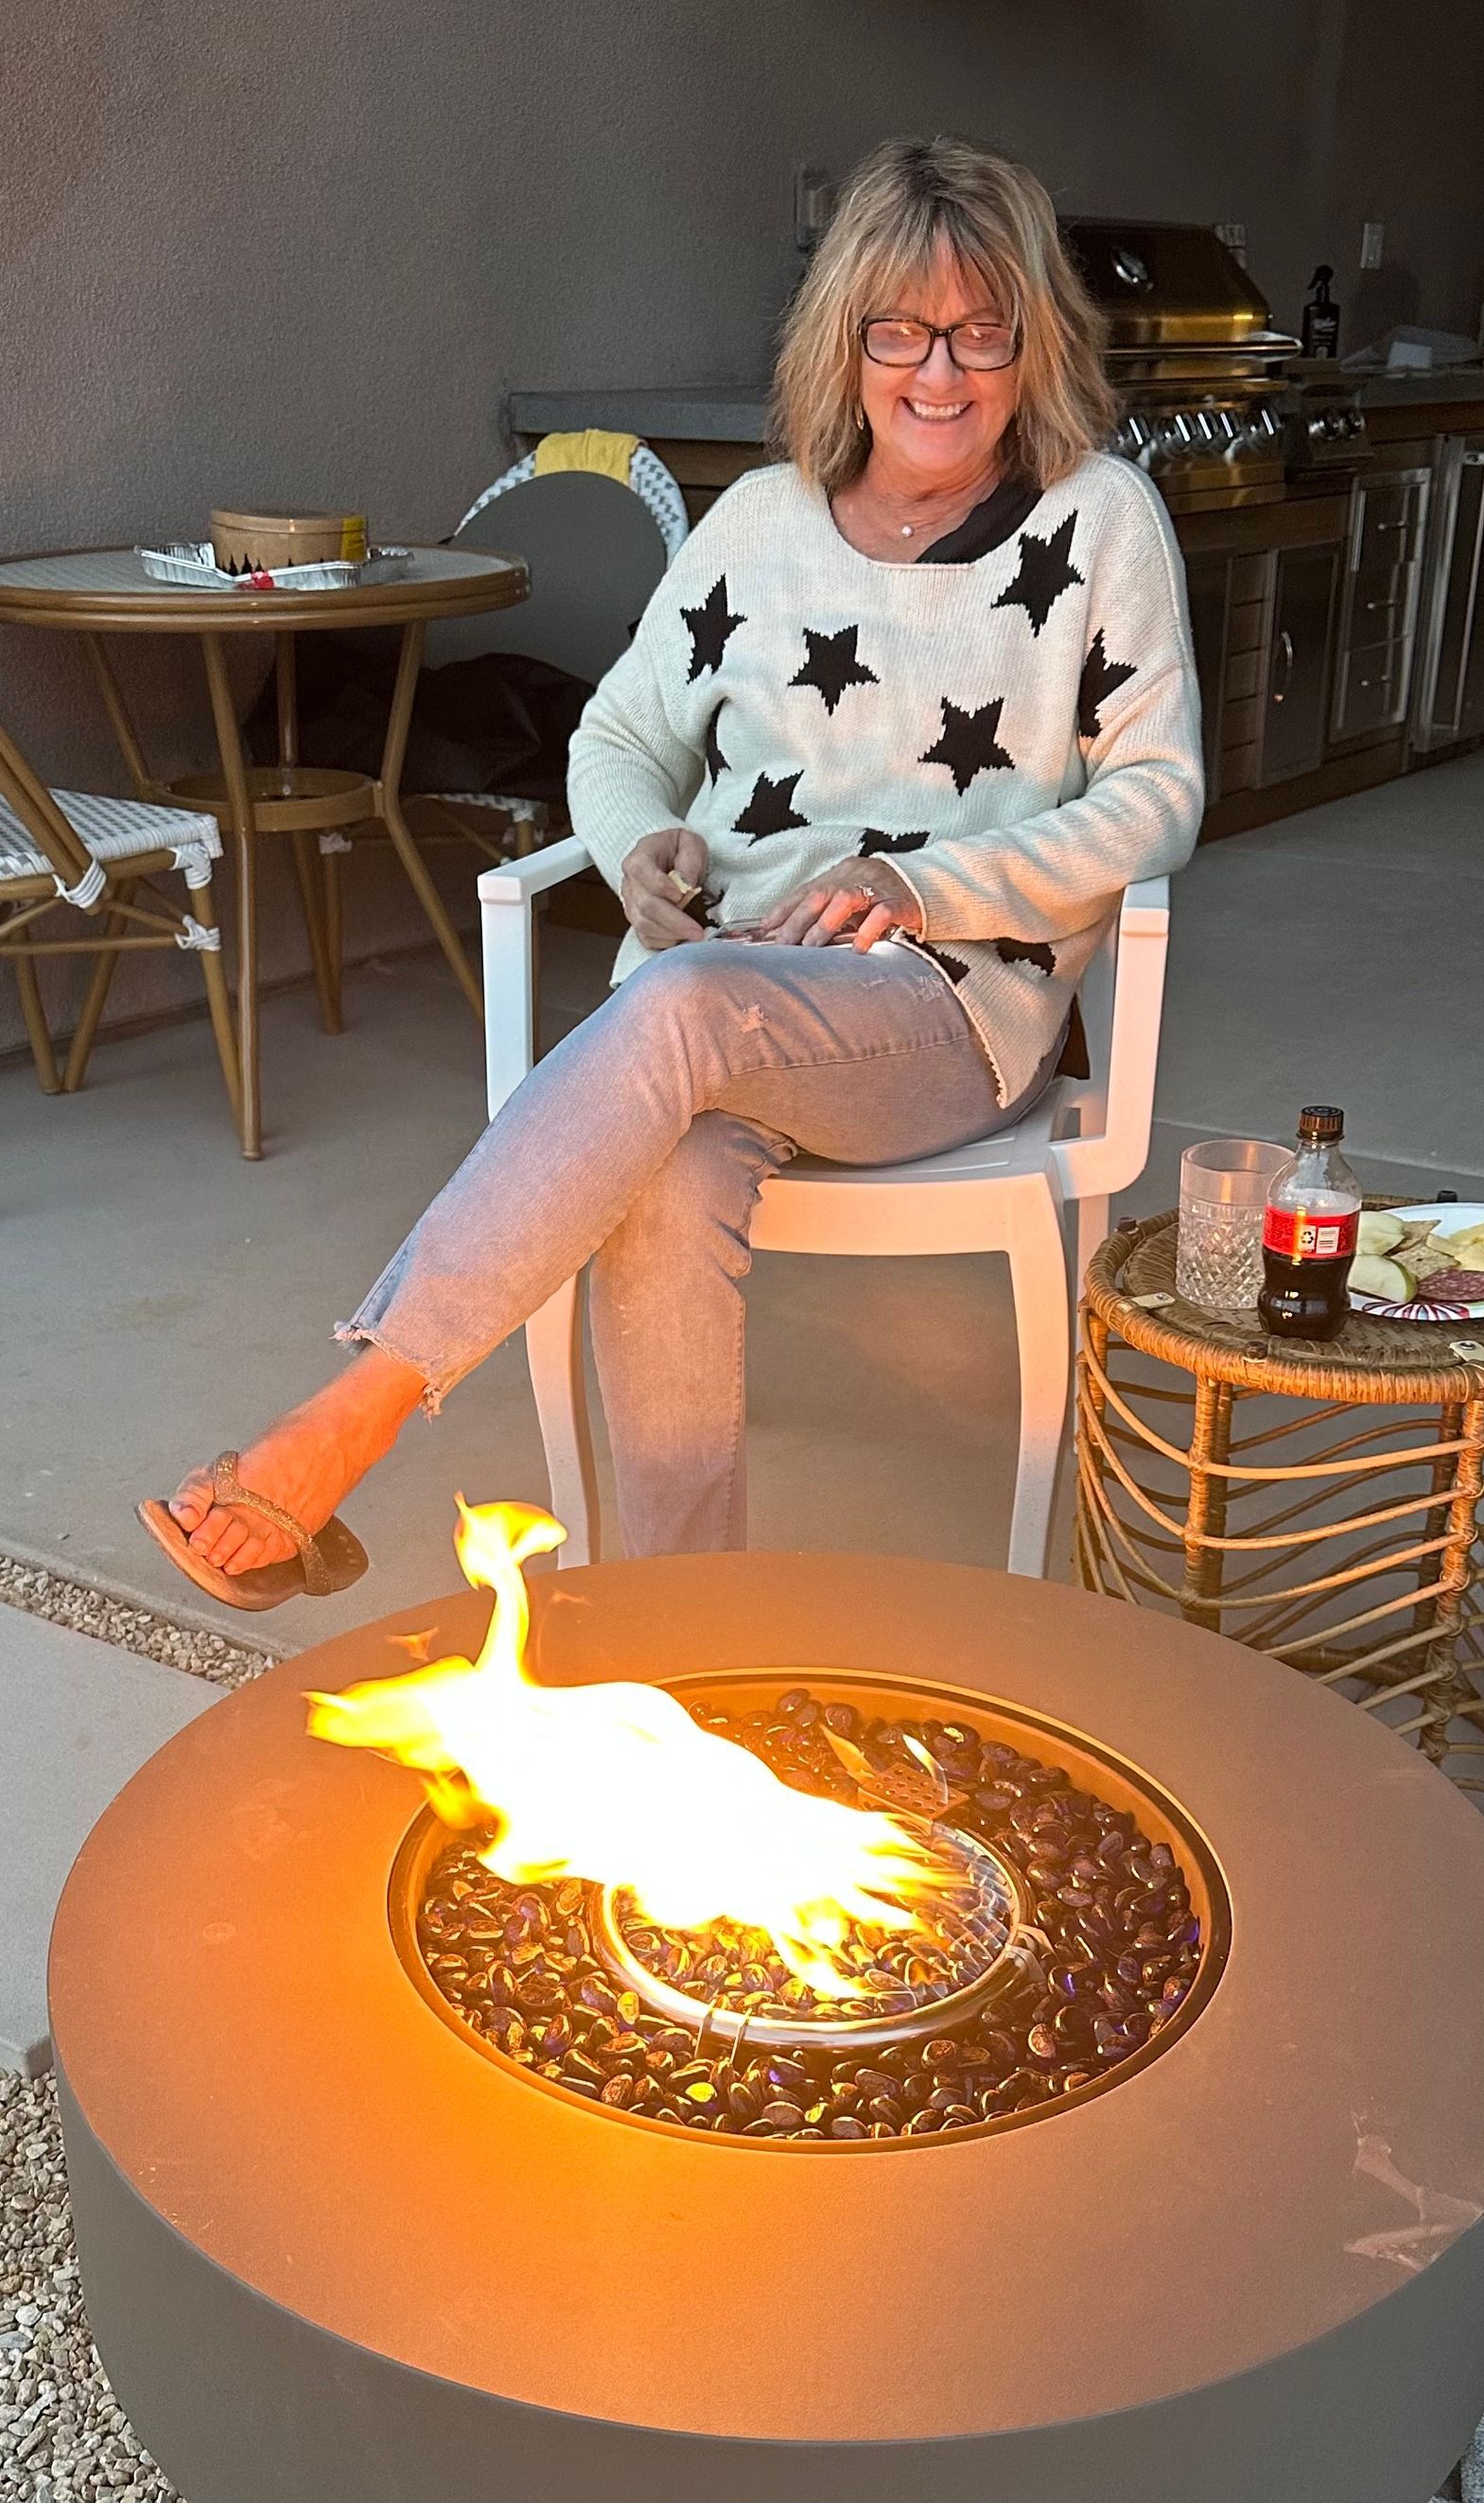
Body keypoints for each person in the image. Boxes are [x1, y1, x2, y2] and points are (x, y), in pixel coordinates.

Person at [140, 134, 1203, 1609]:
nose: (939, 372)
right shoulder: (761, 522)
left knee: (683, 1015)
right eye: (899, 330)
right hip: (714, 1013)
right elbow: (624, 727)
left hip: (941, 1012)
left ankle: (346, 1422)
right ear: (848, 340)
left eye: (980, 329)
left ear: (1037, 337)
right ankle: (685, 1624)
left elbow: (1159, 798)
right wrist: (640, 836)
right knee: (666, 1154)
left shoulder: (1097, 521)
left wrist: (926, 891)